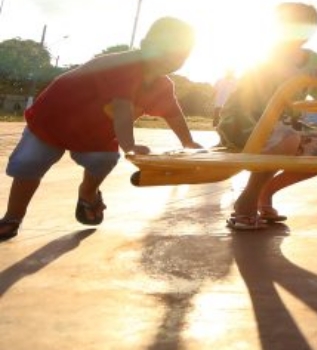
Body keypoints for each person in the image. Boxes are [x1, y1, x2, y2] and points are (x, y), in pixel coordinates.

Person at [0, 17, 204, 242]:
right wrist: (130, 145)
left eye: (181, 54)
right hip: (52, 122)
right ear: (145, 44)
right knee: (29, 163)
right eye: (164, 49)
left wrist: (188, 142)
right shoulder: (125, 65)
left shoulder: (162, 86)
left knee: (104, 160)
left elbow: (173, 114)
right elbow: (122, 109)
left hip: (93, 134)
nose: (171, 58)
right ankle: (13, 217)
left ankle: (88, 194)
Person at [217, 2, 317, 231]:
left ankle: (267, 191)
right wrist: (300, 74)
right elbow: (269, 75)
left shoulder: (315, 61)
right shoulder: (266, 53)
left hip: (286, 127)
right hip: (245, 123)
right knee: (288, 139)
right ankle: (247, 201)